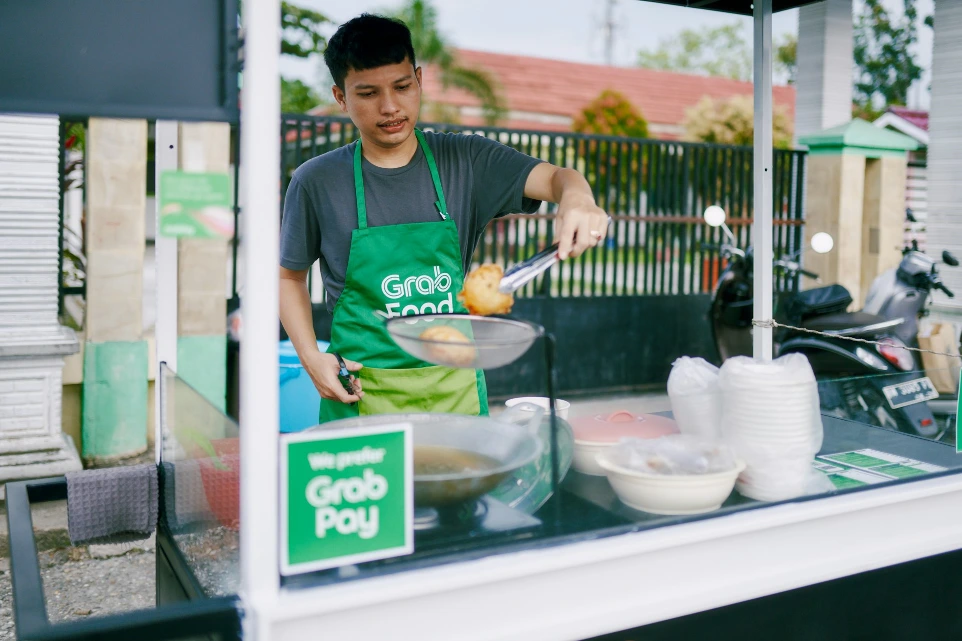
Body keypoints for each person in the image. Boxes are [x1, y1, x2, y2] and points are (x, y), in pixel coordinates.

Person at [279, 13, 609, 423]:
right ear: (341, 97)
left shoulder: (467, 160)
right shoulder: (318, 181)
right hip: (361, 393)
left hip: (455, 392)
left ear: (419, 79)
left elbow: (559, 178)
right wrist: (310, 356)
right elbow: (288, 277)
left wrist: (578, 198)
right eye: (367, 94)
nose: (390, 107)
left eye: (402, 87)